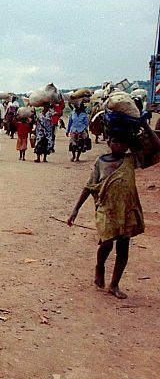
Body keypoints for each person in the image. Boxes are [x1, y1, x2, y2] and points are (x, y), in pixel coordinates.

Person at [67, 122, 160, 299]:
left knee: (123, 248)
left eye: (124, 143)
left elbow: (157, 147)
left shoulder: (131, 160)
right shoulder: (101, 162)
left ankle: (114, 284)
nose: (120, 145)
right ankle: (99, 266)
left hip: (126, 210)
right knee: (107, 243)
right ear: (109, 141)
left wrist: (145, 127)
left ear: (129, 144)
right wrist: (75, 210)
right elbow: (89, 186)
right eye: (116, 142)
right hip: (106, 209)